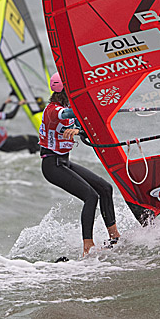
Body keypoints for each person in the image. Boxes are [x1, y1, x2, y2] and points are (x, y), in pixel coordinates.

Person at [39, 72, 121, 255]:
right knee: (91, 197)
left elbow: (82, 126)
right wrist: (91, 101)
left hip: (64, 162)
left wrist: (79, 129)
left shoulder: (67, 110)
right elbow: (69, 113)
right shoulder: (54, 110)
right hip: (52, 165)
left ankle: (115, 237)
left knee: (105, 188)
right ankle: (87, 246)